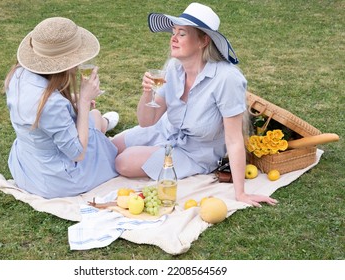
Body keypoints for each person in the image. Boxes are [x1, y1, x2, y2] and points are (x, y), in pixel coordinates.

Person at [112, 3, 278, 207]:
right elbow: (147, 121)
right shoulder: (174, 68)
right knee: (112, 146)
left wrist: (241, 193)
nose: (173, 38)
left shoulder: (226, 79)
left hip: (195, 152)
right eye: (173, 32)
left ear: (203, 40)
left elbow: (234, 139)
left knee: (123, 162)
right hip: (166, 130)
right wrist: (147, 93)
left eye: (181, 33)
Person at [4, 17, 119, 199]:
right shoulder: (51, 103)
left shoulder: (17, 75)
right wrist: (84, 102)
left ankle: (102, 123)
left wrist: (75, 99)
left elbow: (37, 110)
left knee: (93, 117)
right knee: (96, 122)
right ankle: (102, 125)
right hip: (56, 180)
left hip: (25, 168)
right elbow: (78, 154)